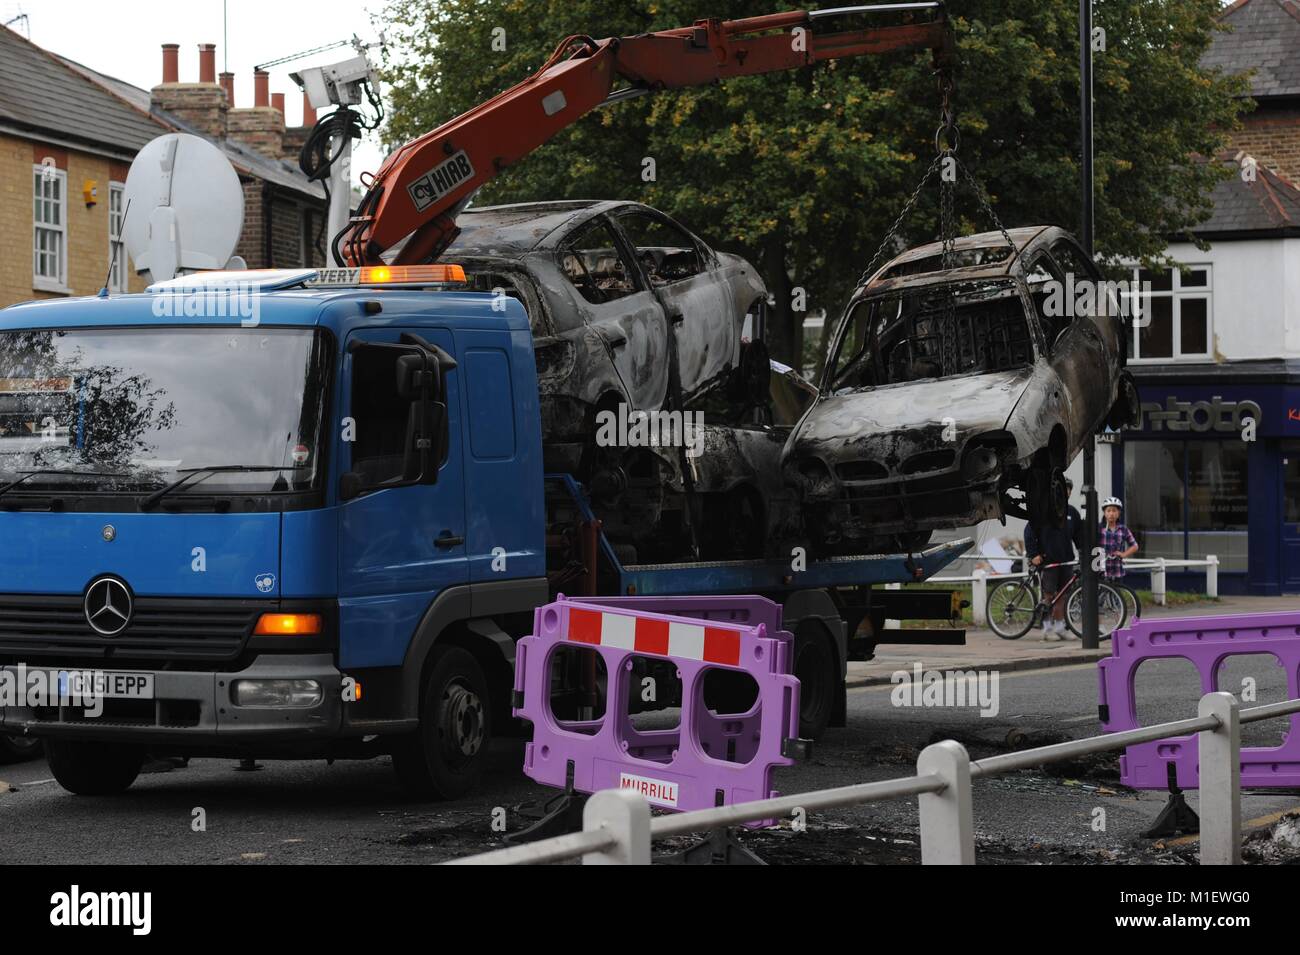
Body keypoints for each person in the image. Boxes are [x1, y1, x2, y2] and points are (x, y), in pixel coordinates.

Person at [1023, 478, 1083, 641]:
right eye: (1063, 489)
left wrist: (1083, 552)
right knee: (1048, 595)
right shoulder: (1043, 511)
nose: (1065, 492)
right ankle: (1046, 627)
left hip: (1066, 561)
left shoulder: (1072, 512)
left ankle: (1059, 627)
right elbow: (1029, 532)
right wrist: (1033, 554)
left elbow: (1079, 536)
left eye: (1068, 489)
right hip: (1048, 561)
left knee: (1063, 596)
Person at [1099, 496, 1139, 582]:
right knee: (1101, 594)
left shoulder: (1123, 529)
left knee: (1116, 593)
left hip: (1117, 569)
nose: (1111, 514)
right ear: (1104, 513)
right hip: (1101, 569)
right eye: (1108, 511)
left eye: (1114, 510)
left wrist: (1124, 554)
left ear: (1119, 513)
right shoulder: (1099, 529)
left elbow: (1135, 546)